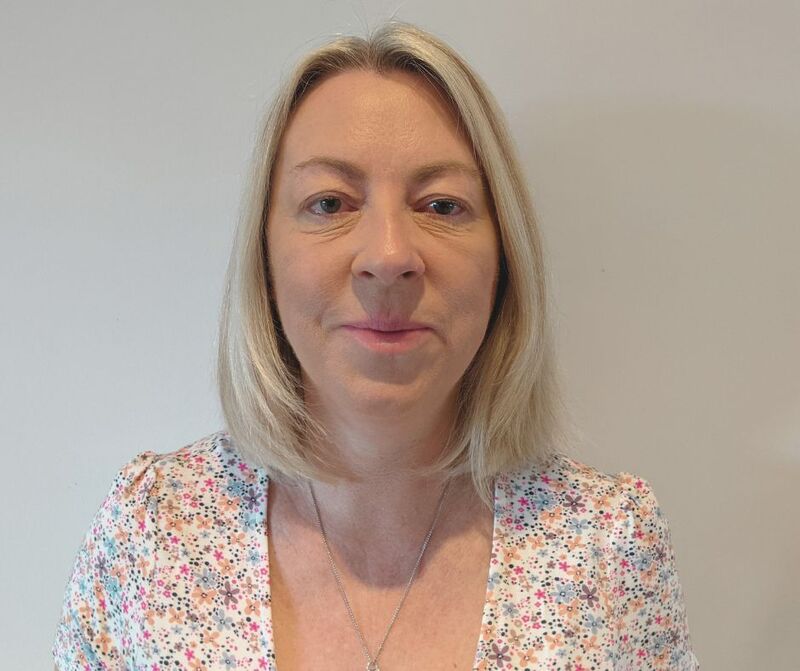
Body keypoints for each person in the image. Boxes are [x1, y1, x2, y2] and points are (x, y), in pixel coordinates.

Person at [52, 20, 699, 671]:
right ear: (265, 256)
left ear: (504, 261)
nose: (389, 256)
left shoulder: (606, 544)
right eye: (330, 203)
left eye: (441, 206)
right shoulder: (154, 528)